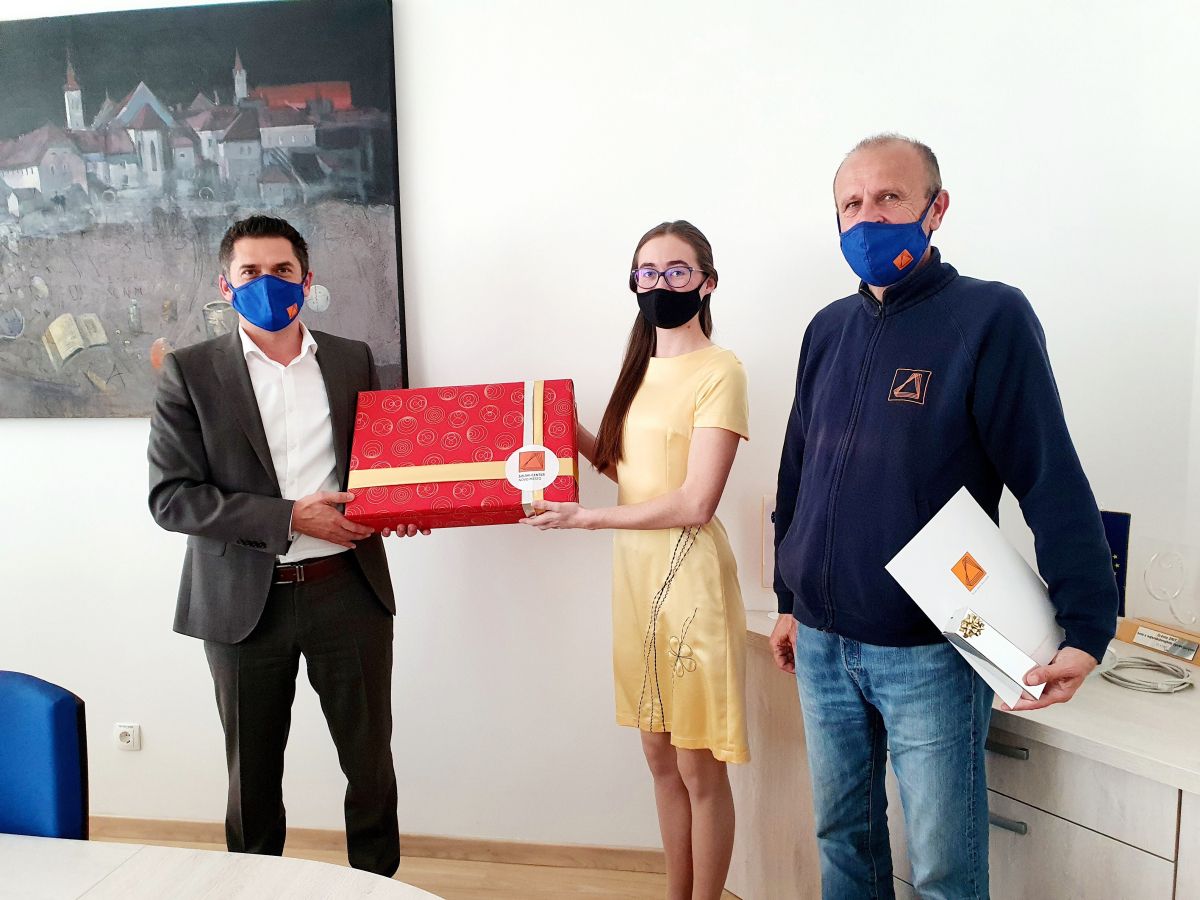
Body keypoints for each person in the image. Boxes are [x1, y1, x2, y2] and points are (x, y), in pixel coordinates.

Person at [770, 134, 1119, 899]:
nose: (868, 217)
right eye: (852, 204)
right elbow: (797, 473)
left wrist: (1089, 626)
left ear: (936, 208)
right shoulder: (826, 329)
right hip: (822, 644)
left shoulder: (989, 317)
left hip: (929, 650)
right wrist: (788, 599)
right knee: (842, 841)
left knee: (943, 871)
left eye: (889, 197)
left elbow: (1049, 476)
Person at [148, 214, 421, 876]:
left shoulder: (352, 359)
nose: (266, 283)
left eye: (282, 270)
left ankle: (376, 887)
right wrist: (291, 517)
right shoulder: (190, 371)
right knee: (253, 778)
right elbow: (172, 498)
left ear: (307, 279)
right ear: (226, 284)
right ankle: (253, 886)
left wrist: (402, 505)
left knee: (371, 768)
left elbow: (378, 466)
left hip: (347, 591)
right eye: (250, 272)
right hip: (244, 605)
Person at [522, 221, 749, 900]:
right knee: (658, 756)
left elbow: (694, 502)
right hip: (636, 578)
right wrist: (555, 422)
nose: (660, 283)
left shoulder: (721, 370)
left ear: (707, 282)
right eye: (647, 272)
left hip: (691, 581)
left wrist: (587, 518)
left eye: (677, 271)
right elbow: (625, 470)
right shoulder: (637, 369)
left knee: (698, 765)